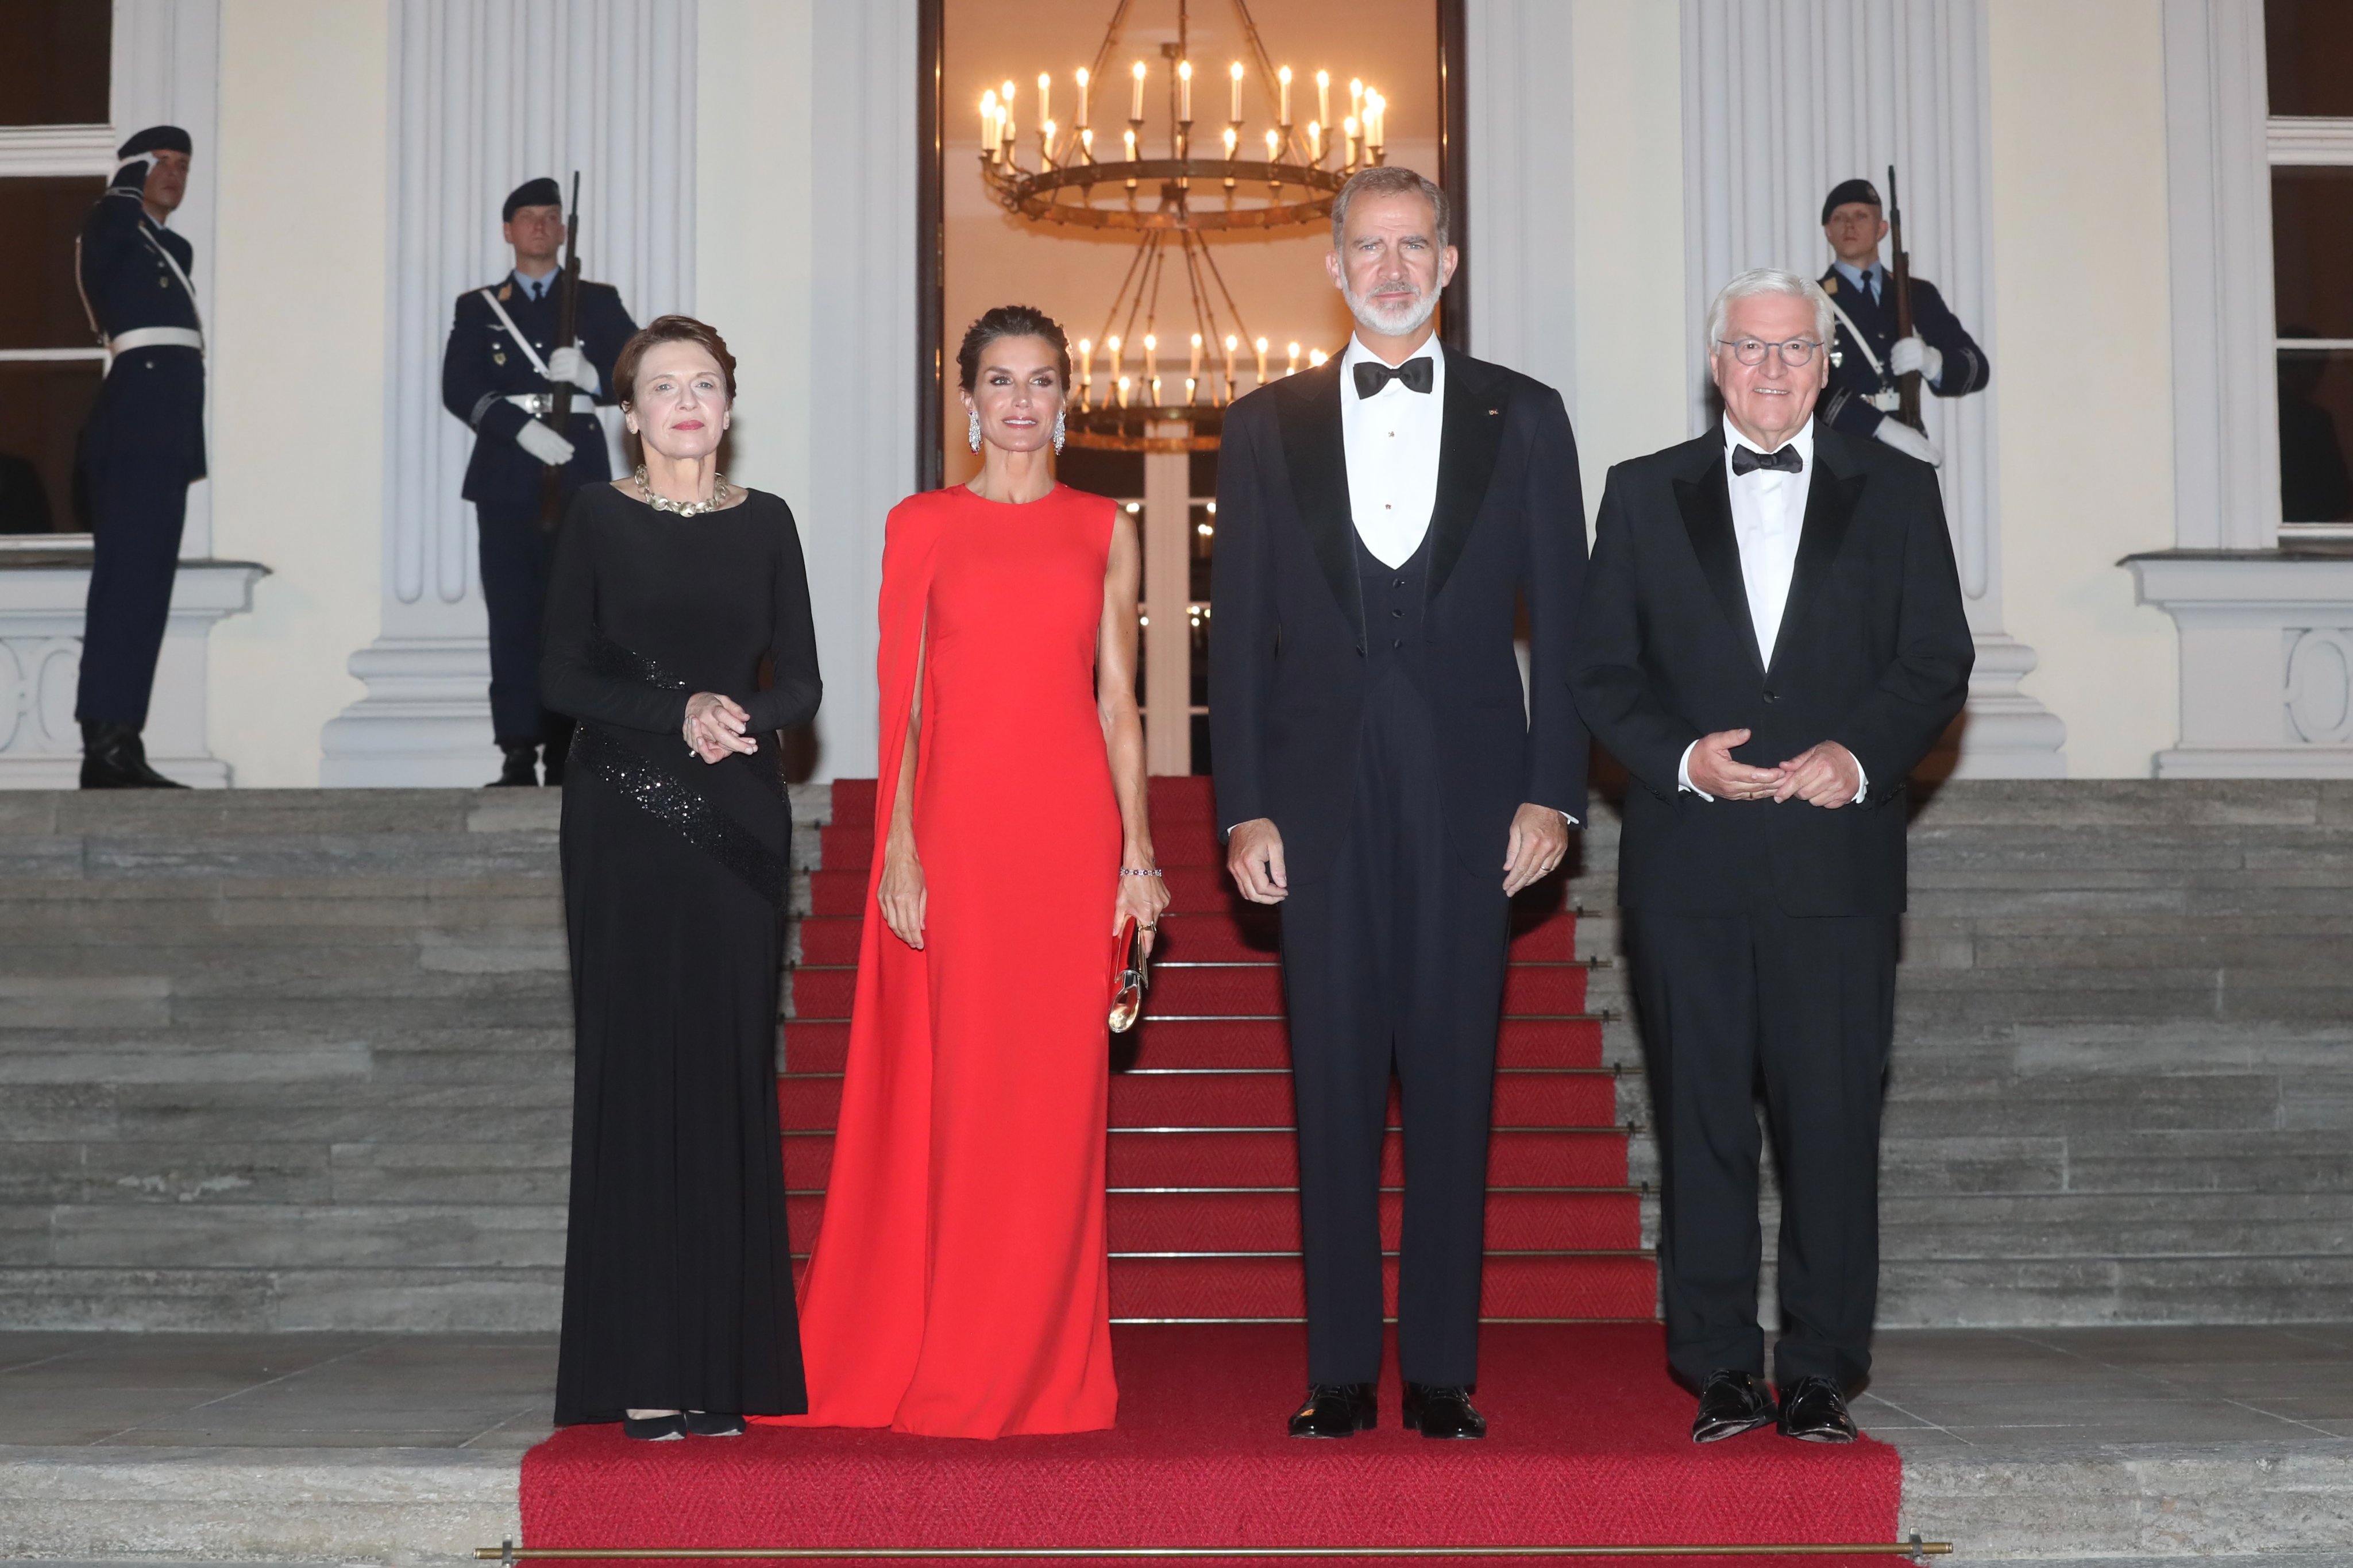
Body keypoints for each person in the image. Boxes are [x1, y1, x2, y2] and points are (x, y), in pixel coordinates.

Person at [1210, 166, 1590, 1442]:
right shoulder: (1262, 424)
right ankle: (1332, 1372)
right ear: (1331, 266)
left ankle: (1436, 1369)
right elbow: (1238, 636)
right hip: (1311, 804)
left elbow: (1573, 630)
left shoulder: (1526, 416)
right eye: (1365, 248)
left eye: (1410, 245)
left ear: (1448, 260)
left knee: (1451, 1081)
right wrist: (1242, 806)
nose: (1387, 267)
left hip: (1477, 798)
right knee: (1326, 1084)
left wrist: (1554, 794)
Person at [1568, 269, 1972, 1446]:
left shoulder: (1896, 490)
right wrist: (1683, 759)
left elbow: (1932, 660)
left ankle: (1817, 1370)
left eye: (1793, 351)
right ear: (1714, 363)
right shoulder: (1641, 495)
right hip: (1687, 864)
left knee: (1831, 1123)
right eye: (1748, 351)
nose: (1771, 371)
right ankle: (1715, 1369)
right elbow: (1600, 673)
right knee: (1699, 1123)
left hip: (1834, 867)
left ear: (1825, 365)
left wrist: (1857, 758)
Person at [771, 304, 1165, 1439]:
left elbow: (1115, 700)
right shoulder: (921, 524)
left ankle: (1041, 1368)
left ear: (1065, 396)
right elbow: (900, 700)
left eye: (1041, 381)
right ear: (966, 400)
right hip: (952, 838)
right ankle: (943, 1348)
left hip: (1065, 835)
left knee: (1050, 1108)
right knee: (955, 1101)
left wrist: (1137, 856)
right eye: (999, 381)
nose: (1021, 403)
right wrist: (897, 847)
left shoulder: (1102, 525)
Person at [542, 315, 819, 1440]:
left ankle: (722, 1368)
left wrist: (739, 716)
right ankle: (643, 1367)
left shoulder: (768, 523)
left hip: (739, 821)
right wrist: (678, 710)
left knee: (724, 1080)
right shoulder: (596, 517)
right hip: (622, 816)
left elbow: (799, 682)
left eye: (705, 384)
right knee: (638, 1076)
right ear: (630, 414)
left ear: (728, 407)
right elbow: (557, 672)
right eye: (663, 387)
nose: (687, 403)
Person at [443, 177, 639, 787]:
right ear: (508, 231)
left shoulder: (596, 301)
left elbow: (638, 374)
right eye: (527, 217)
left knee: (574, 620)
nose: (539, 226)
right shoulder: (480, 306)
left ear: (562, 229)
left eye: (550, 217)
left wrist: (591, 377)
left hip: (577, 475)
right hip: (506, 476)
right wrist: (517, 430)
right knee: (513, 616)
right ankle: (517, 751)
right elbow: (460, 386)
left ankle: (566, 751)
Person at [72, 126, 204, 789]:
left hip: (167, 434)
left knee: (147, 589)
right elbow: (108, 235)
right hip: (132, 430)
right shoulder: (112, 228)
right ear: (134, 170)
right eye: (162, 164)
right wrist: (127, 178)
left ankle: (124, 739)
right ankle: (103, 746)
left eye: (183, 165)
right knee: (125, 586)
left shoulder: (171, 246)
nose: (174, 174)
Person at [1816, 178, 1988, 469]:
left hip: (1907, 451)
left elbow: (1976, 368)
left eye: (1861, 216)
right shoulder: (1811, 301)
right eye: (1839, 218)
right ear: (1828, 232)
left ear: (1882, 228)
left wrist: (1933, 362)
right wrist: (1879, 427)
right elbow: (1809, 388)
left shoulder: (1916, 295)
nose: (1849, 225)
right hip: (1842, 454)